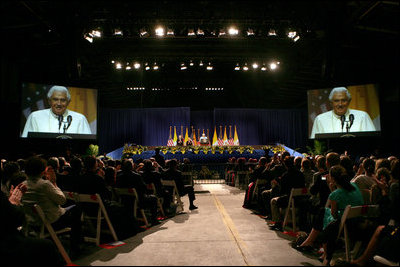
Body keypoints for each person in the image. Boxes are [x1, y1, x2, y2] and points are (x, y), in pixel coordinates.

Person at [21, 85, 92, 137]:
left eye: (63, 100)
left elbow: (87, 143)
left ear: (68, 102)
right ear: (49, 101)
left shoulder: (80, 119)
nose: (59, 104)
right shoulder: (35, 117)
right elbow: (26, 141)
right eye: (55, 99)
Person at [310, 86, 376, 138]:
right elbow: (315, 142)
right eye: (336, 101)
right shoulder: (320, 119)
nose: (340, 104)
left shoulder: (362, 116)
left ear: (349, 101)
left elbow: (373, 138)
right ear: (331, 103)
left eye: (343, 100)